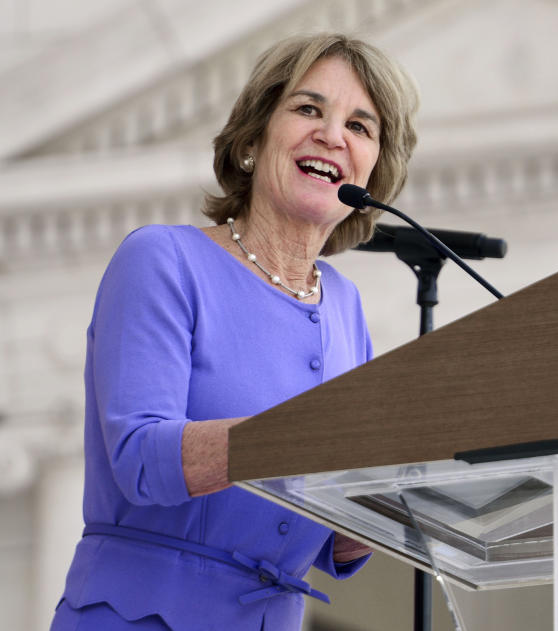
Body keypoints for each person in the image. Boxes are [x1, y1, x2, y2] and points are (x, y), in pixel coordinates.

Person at [51, 33, 419, 631]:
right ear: (252, 141)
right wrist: (303, 438)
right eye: (307, 109)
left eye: (361, 126)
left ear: (372, 175)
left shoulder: (346, 306)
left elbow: (332, 535)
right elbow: (140, 458)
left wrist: (397, 495)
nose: (332, 135)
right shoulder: (162, 261)